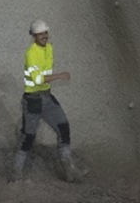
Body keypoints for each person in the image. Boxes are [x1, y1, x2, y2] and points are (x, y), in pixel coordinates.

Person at [11, 19, 86, 182]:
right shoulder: (31, 53)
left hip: (46, 97)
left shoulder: (49, 49)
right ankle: (16, 173)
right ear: (34, 36)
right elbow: (37, 80)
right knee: (28, 136)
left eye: (45, 33)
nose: (44, 36)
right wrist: (59, 76)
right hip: (33, 101)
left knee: (63, 127)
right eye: (40, 34)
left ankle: (69, 169)